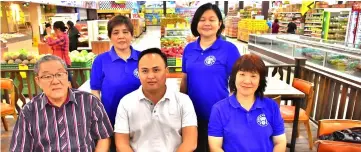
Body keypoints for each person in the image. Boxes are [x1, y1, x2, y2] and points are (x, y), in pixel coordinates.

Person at [10, 55, 113, 151]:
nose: (55, 81)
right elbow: (19, 148)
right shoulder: (29, 111)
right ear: (38, 81)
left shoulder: (89, 101)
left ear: (66, 76)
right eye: (47, 76)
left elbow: (104, 137)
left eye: (59, 74)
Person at [180, 3, 241, 152]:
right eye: (202, 19)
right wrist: (180, 106)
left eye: (212, 19)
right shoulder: (189, 49)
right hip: (191, 115)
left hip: (219, 115)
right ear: (196, 23)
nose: (207, 23)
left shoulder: (229, 49)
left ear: (219, 23)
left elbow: (238, 82)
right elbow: (185, 79)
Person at [114, 48, 198, 152]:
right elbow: (121, 144)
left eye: (156, 70)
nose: (150, 76)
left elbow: (190, 142)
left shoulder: (183, 101)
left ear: (166, 72)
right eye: (145, 71)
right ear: (138, 73)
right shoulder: (126, 103)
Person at [208, 54, 287, 152]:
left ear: (260, 81)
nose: (247, 81)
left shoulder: (271, 106)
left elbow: (280, 142)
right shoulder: (219, 109)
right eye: (242, 74)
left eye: (253, 76)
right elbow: (215, 147)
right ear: (234, 77)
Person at [90, 15, 141, 151]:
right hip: (111, 119)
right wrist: (100, 117)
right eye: (116, 32)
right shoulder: (100, 61)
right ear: (110, 36)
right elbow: (95, 91)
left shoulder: (142, 58)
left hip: (140, 119)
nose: (121, 36)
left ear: (132, 34)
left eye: (125, 32)